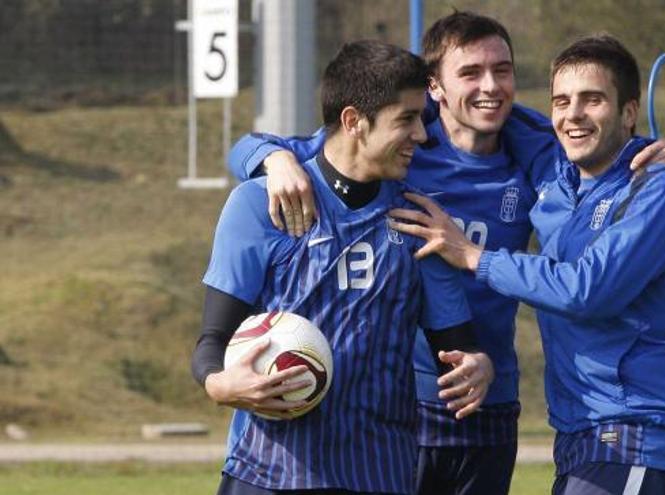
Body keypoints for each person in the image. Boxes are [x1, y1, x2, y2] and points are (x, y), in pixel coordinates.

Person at [228, 13, 665, 495]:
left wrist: (653, 154)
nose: (491, 86)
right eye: (470, 73)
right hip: (406, 405)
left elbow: (602, 154)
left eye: (502, 70)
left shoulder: (535, 150)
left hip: (491, 403)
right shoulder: (401, 143)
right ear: (435, 87)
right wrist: (270, 159)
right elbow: (277, 147)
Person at [389, 34, 665, 495]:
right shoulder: (557, 183)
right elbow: (341, 140)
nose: (573, 114)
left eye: (592, 100)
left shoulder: (658, 190)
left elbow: (585, 290)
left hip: (634, 437)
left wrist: (472, 256)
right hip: (580, 438)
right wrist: (268, 156)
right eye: (561, 101)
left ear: (629, 113)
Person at [191, 40, 494, 495]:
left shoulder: (421, 223)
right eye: (406, 120)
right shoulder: (258, 205)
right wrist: (221, 384)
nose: (423, 136)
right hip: (266, 473)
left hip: (378, 474)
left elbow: (458, 347)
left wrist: (476, 365)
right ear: (354, 121)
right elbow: (212, 341)